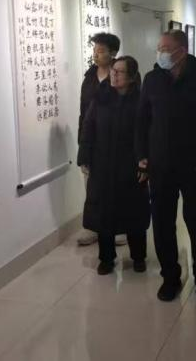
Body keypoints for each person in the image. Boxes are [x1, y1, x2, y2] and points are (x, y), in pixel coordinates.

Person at [137, 30, 196, 302]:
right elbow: (142, 121)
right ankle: (170, 277)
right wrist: (142, 155)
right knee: (163, 225)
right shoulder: (152, 79)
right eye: (159, 48)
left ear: (182, 51)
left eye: (165, 48)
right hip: (160, 167)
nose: (161, 53)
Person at [77, 56, 150, 275]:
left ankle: (138, 256)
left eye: (119, 72)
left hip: (131, 166)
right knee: (104, 215)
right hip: (103, 165)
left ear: (131, 77)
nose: (114, 75)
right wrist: (84, 157)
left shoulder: (140, 101)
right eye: (113, 71)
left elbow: (148, 133)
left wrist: (145, 163)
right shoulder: (101, 98)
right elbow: (88, 127)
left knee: (134, 213)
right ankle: (106, 258)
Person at [76, 32, 126, 247]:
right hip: (92, 140)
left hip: (116, 140)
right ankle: (94, 227)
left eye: (101, 51)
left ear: (113, 53)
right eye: (94, 50)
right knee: (91, 185)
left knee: (117, 184)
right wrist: (82, 142)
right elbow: (83, 111)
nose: (95, 55)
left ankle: (119, 227)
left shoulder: (122, 74)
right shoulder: (89, 77)